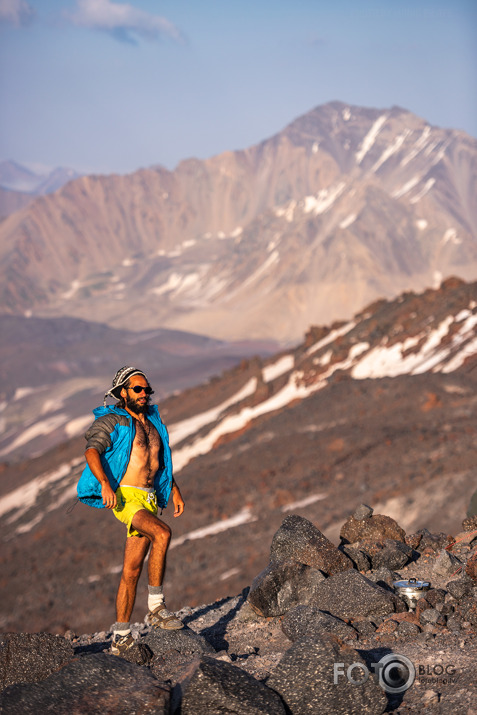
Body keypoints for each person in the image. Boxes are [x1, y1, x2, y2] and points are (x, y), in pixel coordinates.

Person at [77, 366, 185, 655]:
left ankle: (121, 636)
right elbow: (91, 450)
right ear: (122, 392)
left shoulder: (153, 421)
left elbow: (159, 461)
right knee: (162, 534)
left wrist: (172, 489)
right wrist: (104, 484)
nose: (144, 394)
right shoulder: (114, 420)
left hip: (149, 498)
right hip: (127, 497)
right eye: (137, 389)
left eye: (147, 389)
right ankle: (156, 608)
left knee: (131, 570)